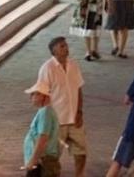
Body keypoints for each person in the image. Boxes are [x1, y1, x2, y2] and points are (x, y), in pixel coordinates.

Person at [37, 36, 86, 176]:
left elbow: (79, 89)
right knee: (52, 157)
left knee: (81, 153)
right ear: (54, 51)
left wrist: (80, 112)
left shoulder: (74, 65)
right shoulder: (47, 68)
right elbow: (42, 95)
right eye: (62, 47)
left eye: (66, 45)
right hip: (57, 121)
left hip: (75, 120)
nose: (66, 48)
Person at [22, 79, 62, 176]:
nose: (31, 97)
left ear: (42, 96)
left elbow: (42, 138)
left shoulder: (45, 112)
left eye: (33, 94)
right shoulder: (46, 111)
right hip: (43, 160)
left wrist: (33, 160)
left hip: (42, 162)